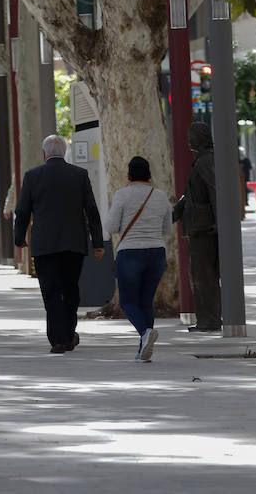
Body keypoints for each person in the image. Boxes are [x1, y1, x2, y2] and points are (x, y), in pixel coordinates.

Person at [14, 133, 104, 354]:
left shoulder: (32, 176)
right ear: (64, 152)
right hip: (74, 243)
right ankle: (67, 333)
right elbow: (91, 210)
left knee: (51, 290)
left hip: (44, 245)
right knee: (71, 289)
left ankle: (58, 339)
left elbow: (22, 210)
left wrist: (19, 239)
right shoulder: (79, 175)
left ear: (44, 153)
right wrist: (98, 243)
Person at [104, 155, 172, 362]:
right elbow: (167, 229)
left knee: (128, 302)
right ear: (150, 176)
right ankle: (143, 348)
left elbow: (112, 226)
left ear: (128, 175)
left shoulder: (122, 195)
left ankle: (145, 333)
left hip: (130, 253)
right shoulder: (160, 196)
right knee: (145, 302)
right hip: (156, 254)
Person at [175, 121, 221, 331]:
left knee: (204, 277)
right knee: (199, 275)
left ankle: (209, 320)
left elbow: (215, 191)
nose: (188, 139)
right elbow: (191, 193)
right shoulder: (200, 160)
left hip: (204, 227)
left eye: (191, 135)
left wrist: (218, 222)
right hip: (198, 226)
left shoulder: (205, 162)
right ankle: (206, 319)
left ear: (200, 138)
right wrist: (177, 209)